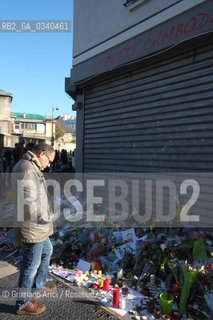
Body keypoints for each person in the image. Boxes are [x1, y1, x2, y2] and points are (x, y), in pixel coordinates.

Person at [12, 143, 56, 315]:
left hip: (38, 226)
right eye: (49, 160)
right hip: (32, 226)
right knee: (31, 264)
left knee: (47, 251)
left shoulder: (30, 166)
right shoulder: (27, 169)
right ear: (42, 154)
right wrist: (48, 216)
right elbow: (29, 204)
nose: (49, 165)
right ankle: (22, 304)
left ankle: (37, 287)